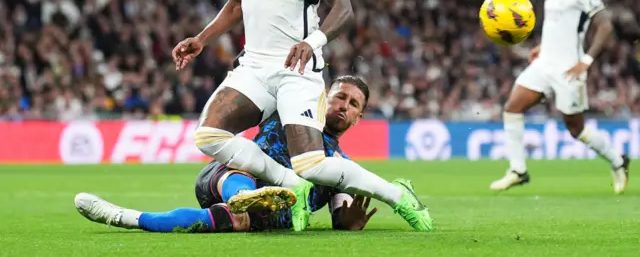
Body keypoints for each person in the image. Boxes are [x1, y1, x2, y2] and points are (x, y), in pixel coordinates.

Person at [171, 0, 431, 231]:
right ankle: (289, 183)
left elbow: (343, 7)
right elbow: (235, 4)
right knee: (208, 136)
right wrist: (202, 38)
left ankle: (398, 195)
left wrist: (313, 41)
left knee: (312, 163)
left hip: (297, 71)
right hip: (255, 68)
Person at [74, 76, 411, 233]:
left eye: (353, 104)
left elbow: (341, 215)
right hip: (227, 176)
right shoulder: (287, 111)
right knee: (244, 176)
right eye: (339, 96)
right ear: (325, 96)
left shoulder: (341, 169)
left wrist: (347, 224)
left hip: (264, 220)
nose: (343, 106)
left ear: (359, 117)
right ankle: (247, 196)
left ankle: (123, 217)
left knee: (231, 221)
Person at [490, 0, 630, 193]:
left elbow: (606, 26)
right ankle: (518, 170)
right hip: (544, 63)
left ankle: (618, 160)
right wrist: (542, 47)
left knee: (576, 128)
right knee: (512, 107)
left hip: (569, 69)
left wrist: (585, 61)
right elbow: (558, 25)